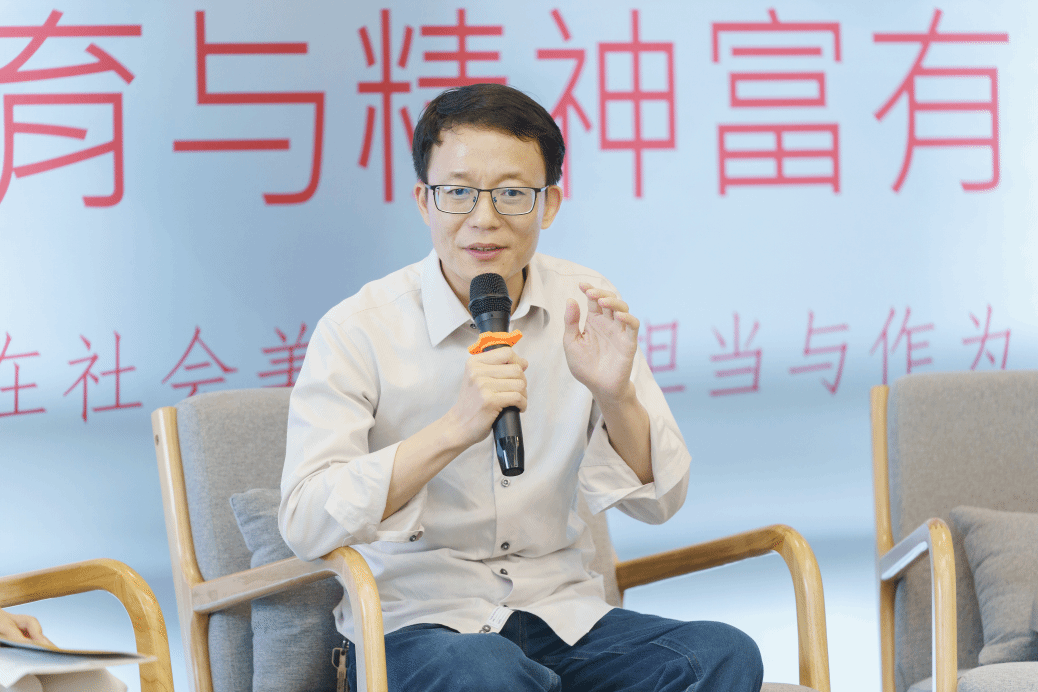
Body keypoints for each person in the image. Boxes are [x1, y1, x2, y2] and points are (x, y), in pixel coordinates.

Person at [279, 83, 763, 691]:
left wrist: (616, 396)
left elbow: (660, 503)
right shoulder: (359, 329)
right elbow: (304, 521)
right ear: (424, 201)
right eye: (458, 192)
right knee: (485, 670)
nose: (484, 218)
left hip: (563, 617)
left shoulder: (584, 306)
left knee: (719, 654)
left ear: (549, 203)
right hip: (417, 628)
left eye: (511, 193)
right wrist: (454, 429)